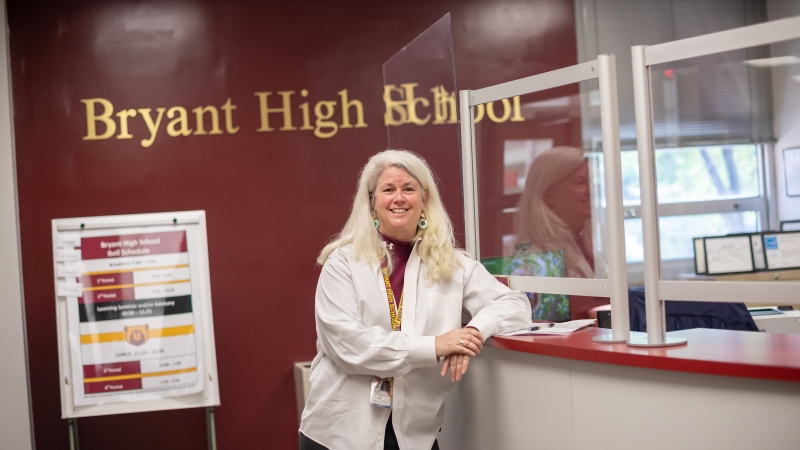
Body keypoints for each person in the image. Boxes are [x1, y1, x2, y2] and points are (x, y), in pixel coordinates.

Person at [299, 150, 531, 450]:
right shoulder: (343, 262)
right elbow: (347, 345)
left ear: (424, 199)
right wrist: (436, 346)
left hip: (414, 438)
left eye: (409, 189)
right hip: (339, 435)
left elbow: (515, 305)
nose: (399, 198)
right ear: (372, 201)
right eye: (388, 190)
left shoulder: (453, 264)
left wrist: (472, 334)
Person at [513, 146, 609, 320]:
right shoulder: (535, 256)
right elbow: (546, 327)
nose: (592, 190)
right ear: (549, 195)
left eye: (592, 181)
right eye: (581, 183)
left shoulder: (586, 242)